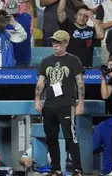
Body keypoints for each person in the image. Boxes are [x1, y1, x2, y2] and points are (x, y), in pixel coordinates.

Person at [34, 30, 85, 176]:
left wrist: (80, 102)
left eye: (59, 43)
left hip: (66, 104)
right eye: (54, 43)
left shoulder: (73, 60)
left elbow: (80, 82)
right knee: (51, 138)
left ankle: (77, 169)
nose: (55, 46)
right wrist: (37, 99)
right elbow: (41, 82)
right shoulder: (45, 61)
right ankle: (56, 169)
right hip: (49, 104)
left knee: (71, 137)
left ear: (66, 44)